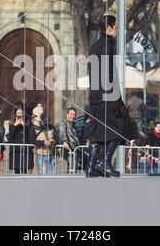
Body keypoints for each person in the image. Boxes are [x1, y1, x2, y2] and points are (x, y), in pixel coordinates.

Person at [86, 15, 131, 177]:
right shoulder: (109, 45)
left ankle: (92, 167)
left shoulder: (93, 46)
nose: (117, 31)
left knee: (98, 131)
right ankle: (104, 161)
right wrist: (117, 99)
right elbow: (110, 74)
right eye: (116, 27)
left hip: (95, 96)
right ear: (110, 28)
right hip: (108, 95)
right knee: (121, 128)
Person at [30, 106, 56, 175]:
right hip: (41, 154)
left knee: (52, 174)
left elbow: (57, 137)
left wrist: (54, 142)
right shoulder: (33, 127)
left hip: (51, 154)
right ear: (40, 119)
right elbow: (31, 140)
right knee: (43, 174)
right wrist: (43, 143)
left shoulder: (52, 127)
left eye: (48, 121)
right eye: (44, 121)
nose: (46, 123)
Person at [56, 107, 82, 173]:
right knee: (68, 170)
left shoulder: (74, 125)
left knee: (74, 169)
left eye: (74, 115)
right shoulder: (63, 123)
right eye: (71, 114)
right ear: (67, 114)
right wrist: (64, 142)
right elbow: (62, 132)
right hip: (67, 150)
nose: (73, 116)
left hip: (75, 150)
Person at [8, 106, 33, 174]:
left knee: (24, 169)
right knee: (17, 170)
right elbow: (11, 136)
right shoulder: (12, 124)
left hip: (24, 150)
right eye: (18, 113)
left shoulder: (27, 123)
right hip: (16, 150)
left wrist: (24, 125)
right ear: (15, 114)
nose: (19, 115)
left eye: (21, 113)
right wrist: (15, 124)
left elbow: (29, 135)